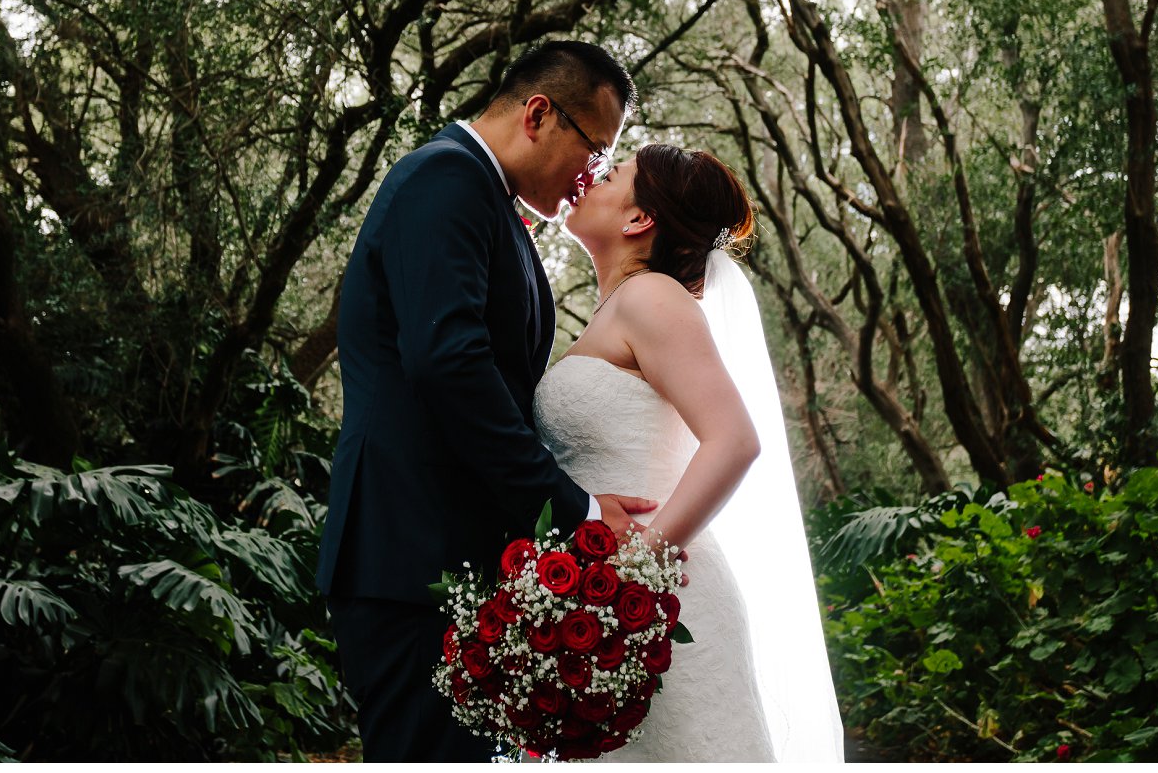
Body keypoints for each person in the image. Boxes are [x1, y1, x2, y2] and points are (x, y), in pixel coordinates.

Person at [317, 40, 658, 762]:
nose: (591, 175)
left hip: (448, 556)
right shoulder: (444, 180)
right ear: (539, 113)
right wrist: (578, 511)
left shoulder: (487, 201)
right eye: (594, 149)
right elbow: (449, 365)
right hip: (410, 554)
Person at [546, 143, 846, 762]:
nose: (588, 180)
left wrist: (636, 563)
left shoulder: (651, 298)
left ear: (638, 220)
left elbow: (735, 440)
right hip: (607, 598)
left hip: (660, 600)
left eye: (610, 175)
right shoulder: (619, 309)